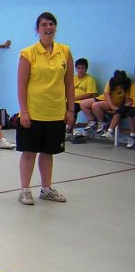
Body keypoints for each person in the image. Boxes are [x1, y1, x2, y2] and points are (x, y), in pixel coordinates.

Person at [16, 12, 74, 205]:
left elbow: (69, 83)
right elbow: (21, 85)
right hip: (33, 113)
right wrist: (24, 111)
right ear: (37, 29)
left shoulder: (65, 51)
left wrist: (70, 110)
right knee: (29, 152)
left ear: (55, 27)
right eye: (44, 25)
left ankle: (46, 189)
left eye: (51, 24)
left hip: (56, 113)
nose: (48, 28)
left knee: (48, 152)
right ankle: (25, 190)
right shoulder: (28, 53)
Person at [79, 69, 131, 137]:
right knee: (83, 104)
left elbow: (127, 98)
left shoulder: (127, 84)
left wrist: (124, 106)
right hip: (105, 99)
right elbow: (106, 94)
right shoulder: (111, 81)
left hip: (115, 103)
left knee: (95, 106)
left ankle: (102, 122)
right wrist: (111, 106)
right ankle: (92, 121)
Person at [65, 57, 97, 139]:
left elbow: (90, 94)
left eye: (82, 68)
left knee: (72, 109)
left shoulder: (90, 79)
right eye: (78, 68)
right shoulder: (73, 78)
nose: (80, 70)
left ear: (86, 69)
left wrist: (74, 98)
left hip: (81, 102)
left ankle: (68, 131)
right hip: (70, 100)